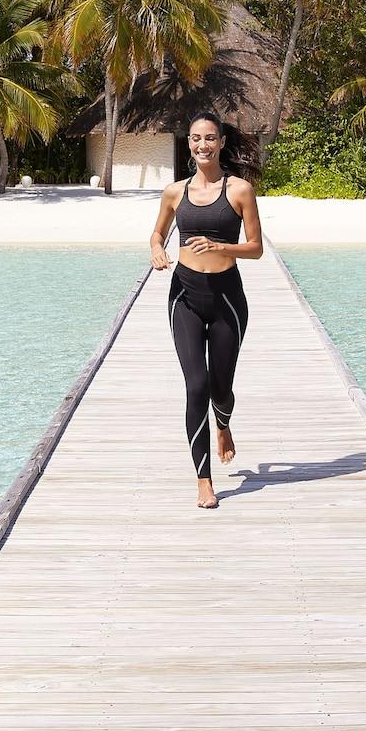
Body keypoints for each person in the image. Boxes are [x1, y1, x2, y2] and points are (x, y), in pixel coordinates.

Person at [148, 111, 264, 509]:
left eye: (210, 138)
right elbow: (157, 231)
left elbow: (256, 248)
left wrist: (221, 247)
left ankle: (224, 425)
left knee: (221, 388)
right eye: (195, 138)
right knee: (196, 386)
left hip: (227, 299)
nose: (202, 145)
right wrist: (157, 250)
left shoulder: (240, 191)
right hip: (185, 296)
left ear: (221, 143)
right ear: (189, 143)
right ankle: (203, 480)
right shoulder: (174, 192)